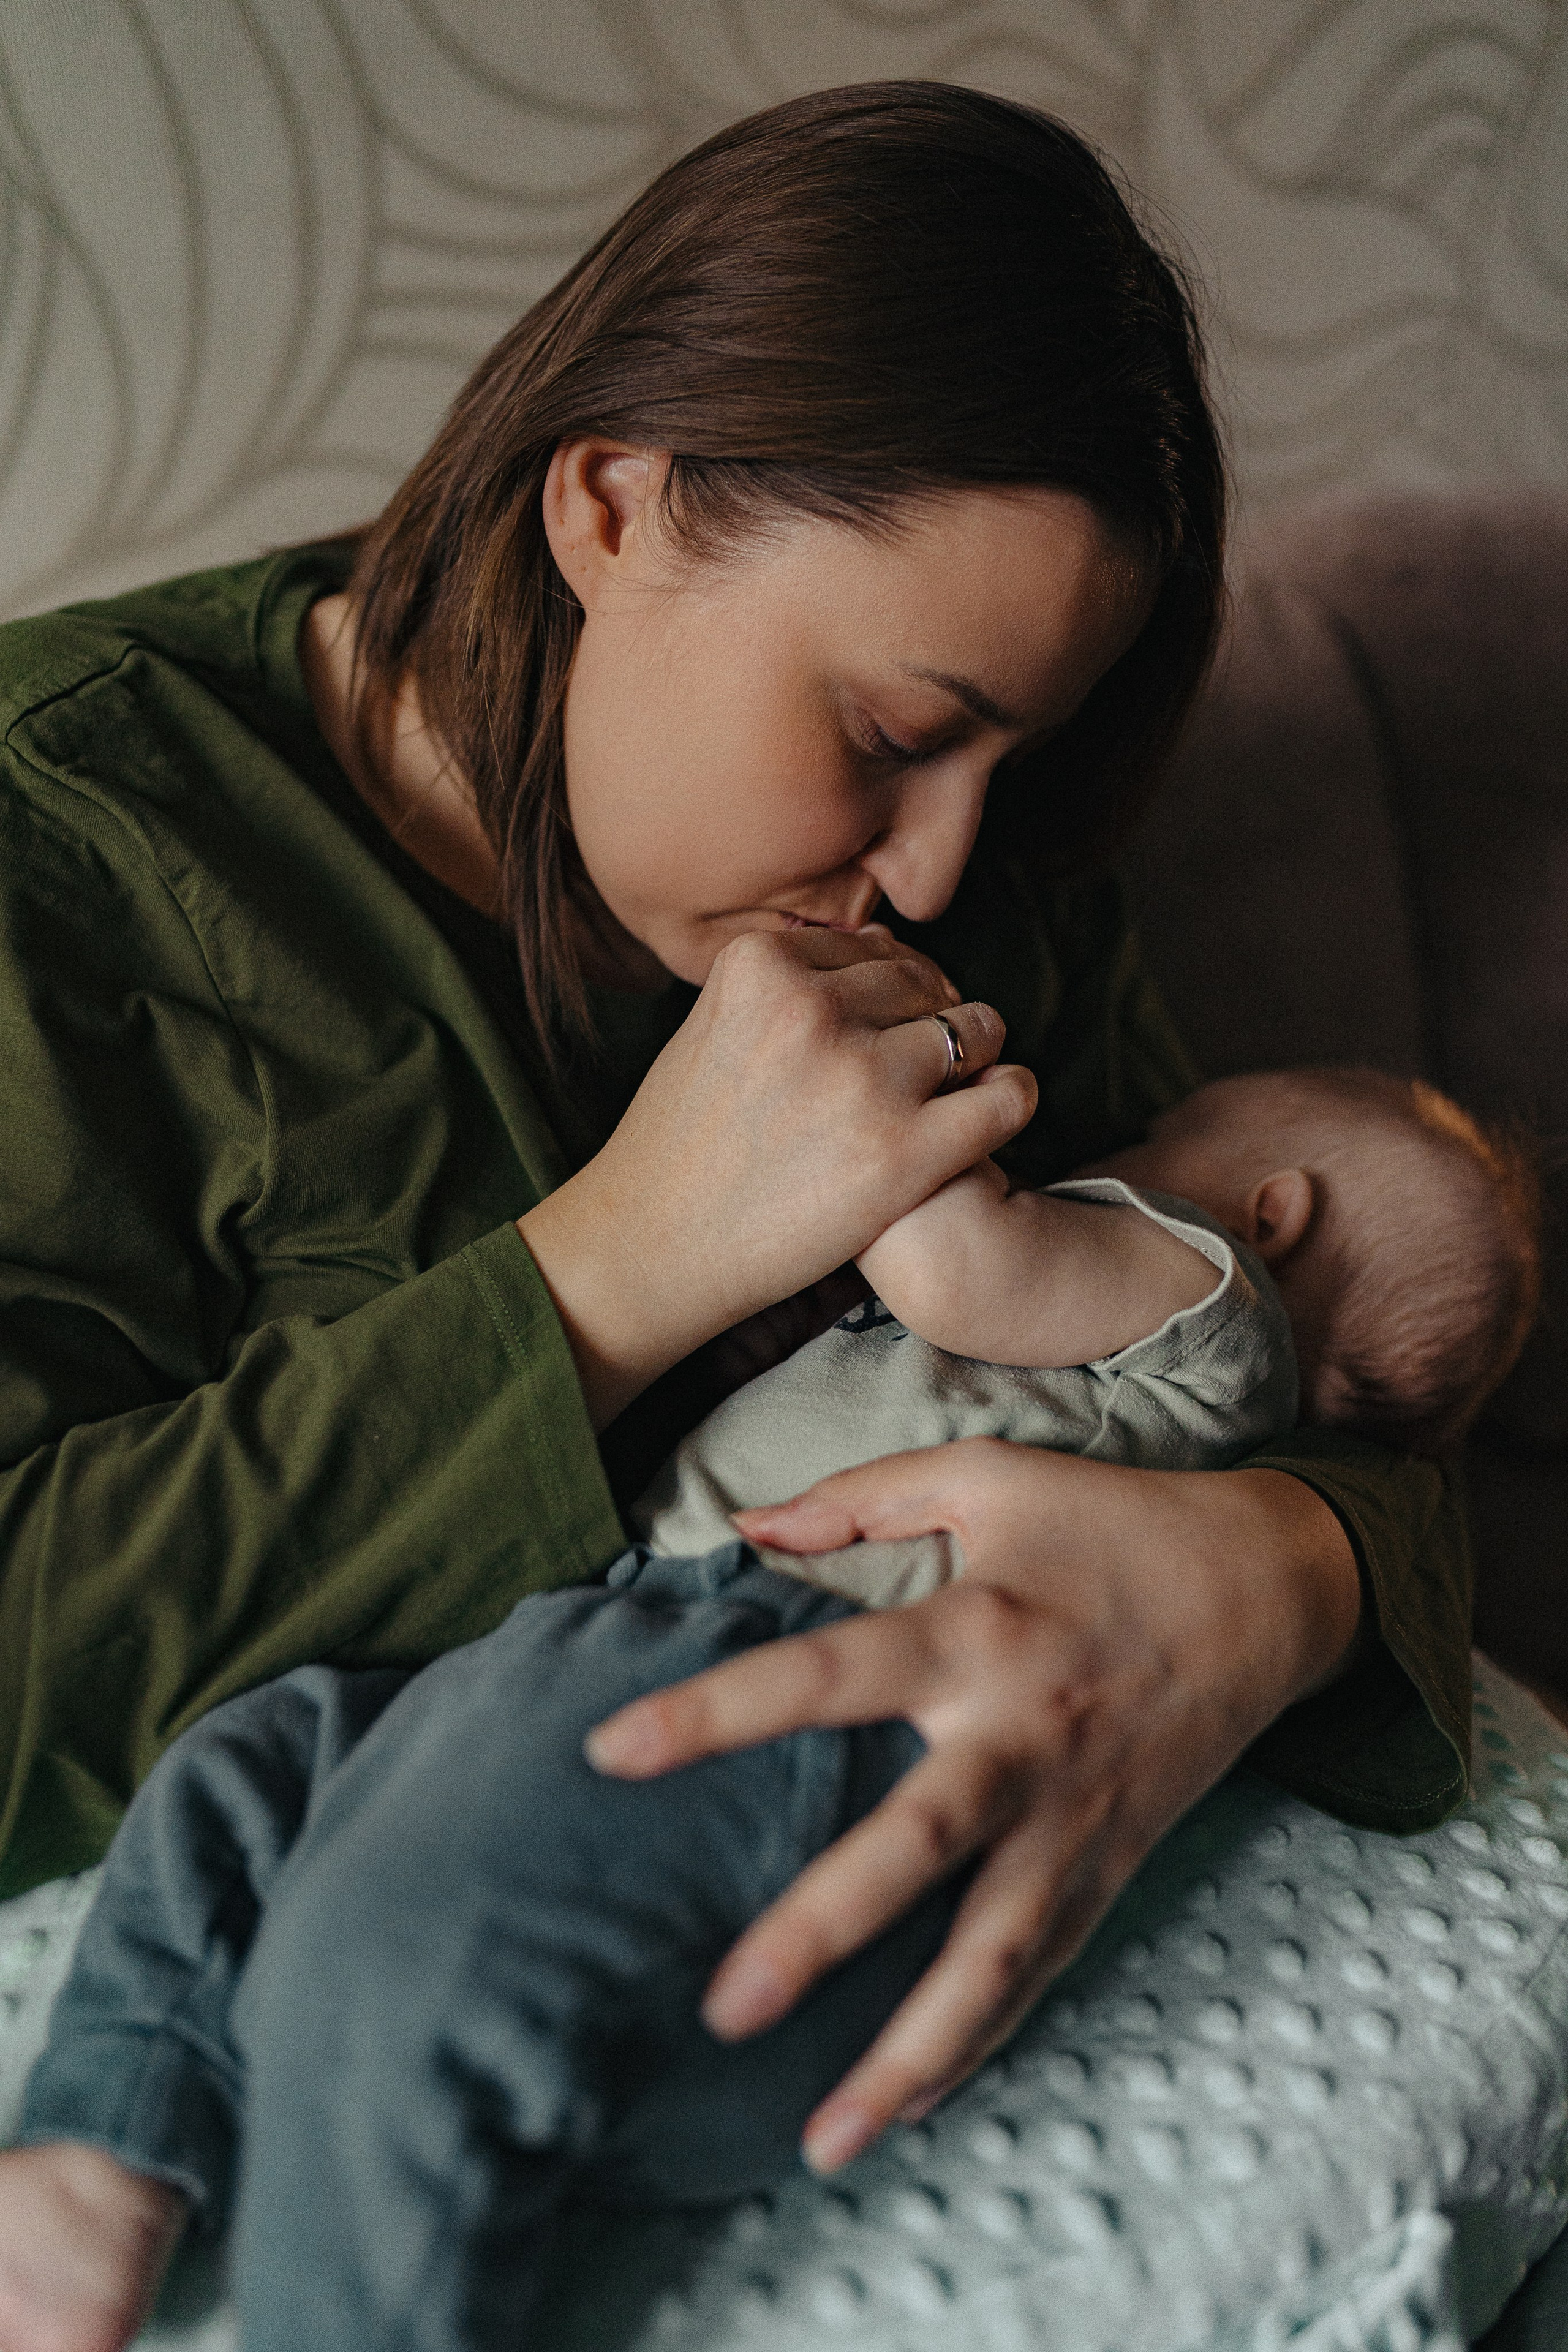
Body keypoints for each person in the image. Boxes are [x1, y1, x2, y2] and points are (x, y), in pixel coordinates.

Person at [0, 69, 1479, 2311]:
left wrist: (1257, 1580)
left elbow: (1340, 1331)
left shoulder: (999, 894)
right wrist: (614, 1270)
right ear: (613, 505)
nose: (944, 870)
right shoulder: (66, 863)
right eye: (895, 732)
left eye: (1011, 762)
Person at [0, 1066, 1537, 2350]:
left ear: (1270, 1208)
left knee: (407, 1959)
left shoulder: (1203, 1291)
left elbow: (939, 1249)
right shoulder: (1165, 1353)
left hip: (774, 1674)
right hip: (634, 1656)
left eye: (1157, 1129)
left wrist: (906, 1104)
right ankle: (105, 2147)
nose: (1110, 1142)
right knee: (263, 1753)